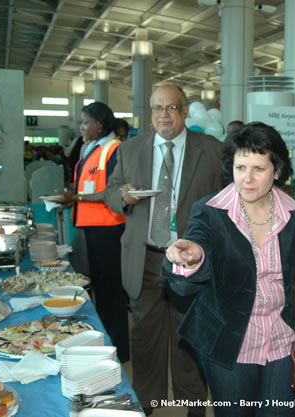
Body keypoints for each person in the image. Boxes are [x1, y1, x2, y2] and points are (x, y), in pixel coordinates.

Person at [162, 122, 295, 417]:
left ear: (277, 171)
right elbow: (183, 282)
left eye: (258, 169)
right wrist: (192, 258)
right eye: (241, 168)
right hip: (230, 341)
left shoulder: (294, 212)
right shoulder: (210, 211)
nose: (247, 179)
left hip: (282, 338)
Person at [104, 84, 223, 417]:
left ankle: (194, 408)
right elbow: (110, 192)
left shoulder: (211, 150)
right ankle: (147, 406)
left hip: (190, 261)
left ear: (185, 111)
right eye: (157, 108)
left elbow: (226, 202)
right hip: (145, 259)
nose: (164, 115)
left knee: (189, 340)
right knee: (145, 342)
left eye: (171, 108)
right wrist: (123, 196)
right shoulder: (129, 150)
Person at [55, 101, 130, 363]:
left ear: (100, 124)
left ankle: (119, 348)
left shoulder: (113, 150)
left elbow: (112, 191)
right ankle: (104, 342)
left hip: (109, 229)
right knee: (97, 289)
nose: (81, 127)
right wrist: (74, 199)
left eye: (86, 122)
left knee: (111, 292)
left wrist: (76, 197)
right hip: (92, 227)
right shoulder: (92, 148)